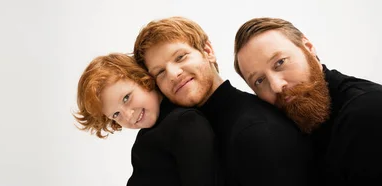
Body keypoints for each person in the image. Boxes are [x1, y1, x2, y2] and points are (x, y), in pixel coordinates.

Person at [133, 16, 317, 186]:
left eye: (180, 57)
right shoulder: (178, 132)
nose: (173, 75)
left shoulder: (256, 130)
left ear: (208, 51)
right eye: (160, 72)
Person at [234, 17, 382, 185]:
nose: (276, 86)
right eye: (259, 81)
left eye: (280, 62)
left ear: (309, 48)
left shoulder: (368, 111)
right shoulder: (288, 127)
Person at [73, 53, 221, 186]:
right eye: (116, 115)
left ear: (142, 79)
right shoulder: (155, 130)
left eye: (126, 98)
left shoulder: (185, 123)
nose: (128, 115)